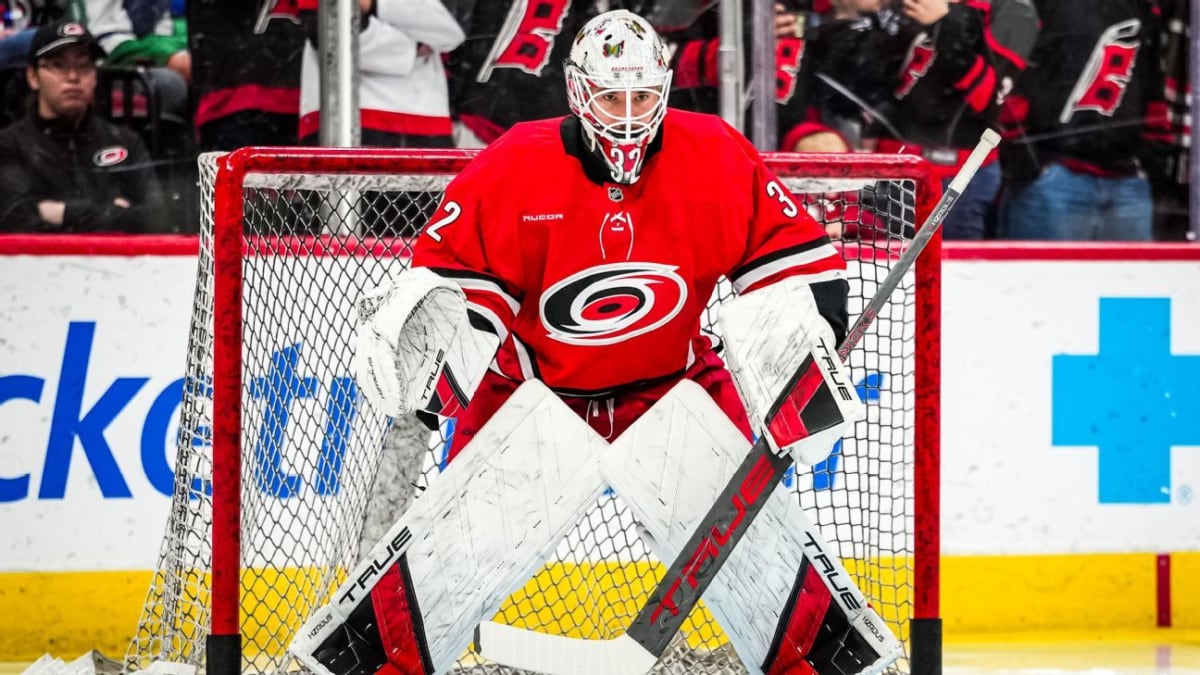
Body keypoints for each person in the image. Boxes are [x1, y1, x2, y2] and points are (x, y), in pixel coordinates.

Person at [370, 9, 850, 463]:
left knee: (750, 548)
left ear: (662, 91)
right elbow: (458, 273)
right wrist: (440, 365)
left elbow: (790, 256)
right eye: (610, 96)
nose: (627, 115)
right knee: (460, 550)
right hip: (529, 394)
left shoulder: (715, 152)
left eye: (640, 97)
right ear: (579, 93)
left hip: (675, 388)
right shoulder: (513, 161)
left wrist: (814, 341)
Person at [997, 0, 1165, 241]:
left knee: (1134, 279)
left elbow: (1152, 86)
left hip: (1128, 181)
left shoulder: (1144, 6)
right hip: (1052, 177)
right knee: (1039, 278)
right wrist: (1026, 161)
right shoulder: (1037, 6)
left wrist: (1151, 159)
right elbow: (1009, 76)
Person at [872, 0, 1038, 239]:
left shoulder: (1012, 8)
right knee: (883, 268)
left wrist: (944, 24)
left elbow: (987, 99)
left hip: (959, 173)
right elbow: (874, 84)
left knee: (956, 271)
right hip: (891, 165)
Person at [0, 20, 166, 232]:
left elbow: (158, 219)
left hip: (120, 264)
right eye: (58, 65)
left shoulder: (125, 141)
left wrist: (59, 213)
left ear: (95, 76)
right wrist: (112, 214)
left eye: (84, 65)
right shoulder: (9, 146)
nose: (73, 77)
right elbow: (16, 222)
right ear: (33, 77)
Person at [297, 0, 464, 147]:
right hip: (347, 116)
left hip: (427, 119)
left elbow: (453, 28)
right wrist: (412, 46)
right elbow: (330, 33)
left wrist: (374, 5)